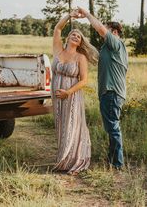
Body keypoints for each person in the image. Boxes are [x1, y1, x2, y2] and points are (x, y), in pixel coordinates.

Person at [75, 7, 128, 170]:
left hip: (112, 92)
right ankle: (113, 160)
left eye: (107, 29)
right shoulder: (108, 49)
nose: (103, 32)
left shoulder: (116, 43)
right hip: (108, 93)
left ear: (115, 32)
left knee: (113, 127)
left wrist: (87, 15)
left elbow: (99, 28)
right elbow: (93, 55)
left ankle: (117, 164)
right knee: (111, 127)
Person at [51, 12, 99, 175]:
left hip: (71, 95)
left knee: (71, 125)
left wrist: (68, 92)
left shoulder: (80, 57)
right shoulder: (58, 50)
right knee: (61, 125)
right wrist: (69, 16)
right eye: (73, 34)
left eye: (79, 36)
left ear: (80, 42)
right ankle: (63, 159)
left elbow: (84, 80)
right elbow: (58, 28)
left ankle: (74, 160)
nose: (76, 36)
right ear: (68, 38)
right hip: (57, 95)